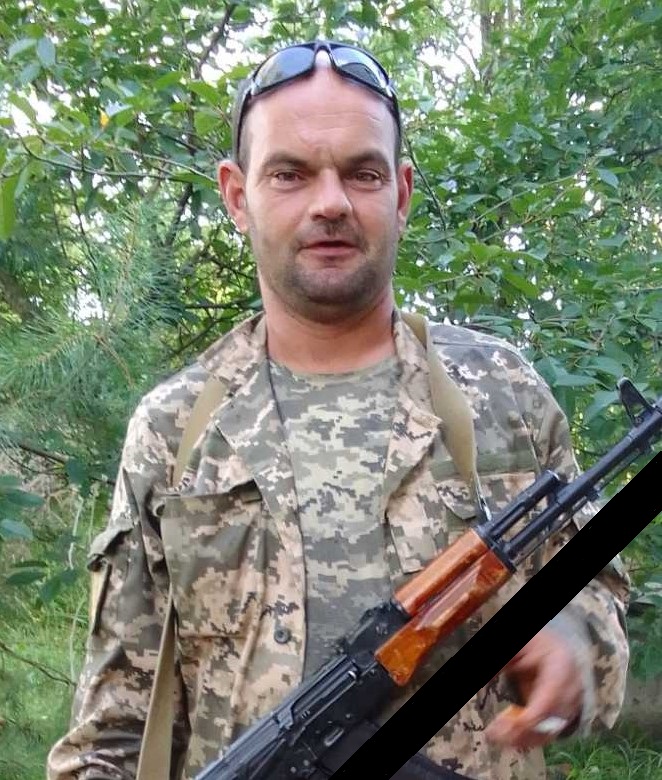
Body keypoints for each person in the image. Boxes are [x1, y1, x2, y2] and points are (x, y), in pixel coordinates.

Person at [48, 40, 630, 780]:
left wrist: (574, 643)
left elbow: (599, 595)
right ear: (237, 196)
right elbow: (112, 734)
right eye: (290, 173)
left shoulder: (503, 393)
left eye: (362, 173)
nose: (330, 203)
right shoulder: (175, 430)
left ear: (402, 194)